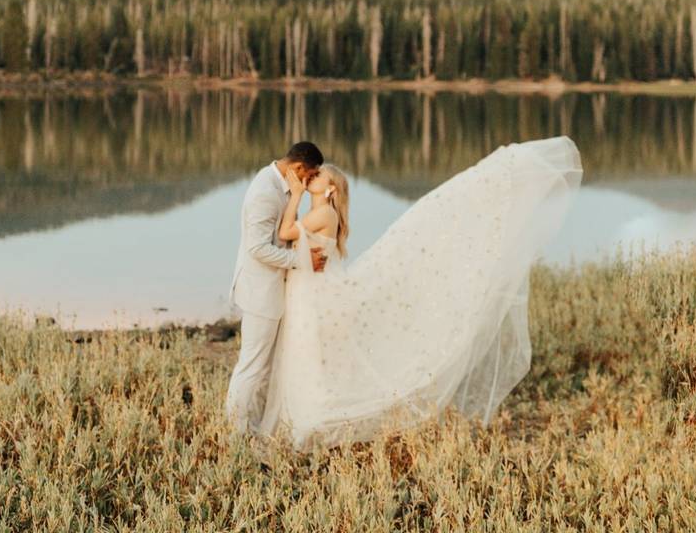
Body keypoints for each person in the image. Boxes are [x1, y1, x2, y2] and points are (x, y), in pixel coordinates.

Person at [254, 136, 583, 450]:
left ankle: (309, 421)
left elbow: (284, 232)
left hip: (313, 297)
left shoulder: (322, 212)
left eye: (317, 176)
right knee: (307, 355)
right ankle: (301, 419)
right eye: (310, 174)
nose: (310, 177)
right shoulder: (322, 213)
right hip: (309, 293)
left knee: (309, 355)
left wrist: (295, 194)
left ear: (329, 189)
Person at [225, 141, 328, 433]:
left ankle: (252, 425)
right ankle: (236, 431)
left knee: (263, 367)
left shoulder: (281, 186)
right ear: (297, 168)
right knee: (252, 366)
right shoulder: (265, 194)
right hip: (260, 291)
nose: (310, 183)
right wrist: (302, 259)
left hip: (271, 289)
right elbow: (258, 248)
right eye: (309, 176)